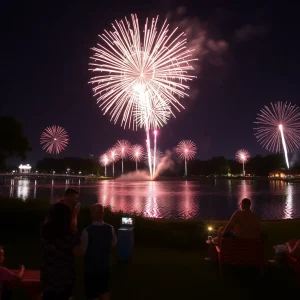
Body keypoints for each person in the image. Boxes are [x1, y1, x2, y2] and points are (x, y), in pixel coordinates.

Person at [41, 202, 83, 300]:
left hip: (48, 274)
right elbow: (78, 252)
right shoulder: (70, 235)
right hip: (65, 276)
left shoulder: (45, 231)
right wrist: (75, 215)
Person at [81, 204, 117, 300]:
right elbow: (114, 243)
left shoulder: (86, 231)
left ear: (91, 215)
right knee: (105, 290)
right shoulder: (110, 228)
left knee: (92, 294)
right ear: (103, 214)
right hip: (105, 266)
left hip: (91, 269)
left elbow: (83, 251)